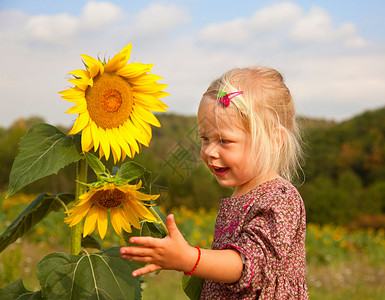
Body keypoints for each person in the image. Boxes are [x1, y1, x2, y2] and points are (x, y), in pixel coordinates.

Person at [120, 66, 309, 299]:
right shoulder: (244, 192)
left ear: (273, 140)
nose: (209, 150)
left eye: (224, 140)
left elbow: (246, 265)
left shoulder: (280, 198)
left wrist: (189, 258)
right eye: (205, 138)